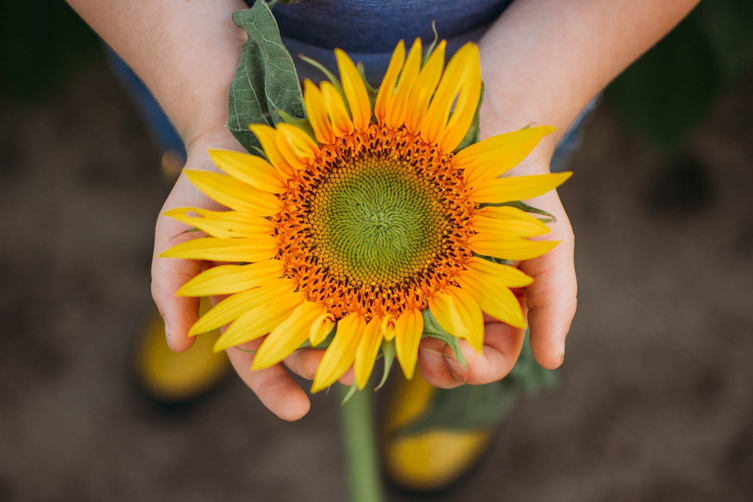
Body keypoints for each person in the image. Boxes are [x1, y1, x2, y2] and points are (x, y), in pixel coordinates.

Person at [68, 0, 700, 492]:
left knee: (487, 305)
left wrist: (520, 107)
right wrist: (209, 113)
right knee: (204, 187)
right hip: (190, 54)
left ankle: (442, 345)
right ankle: (235, 289)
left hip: (515, 81)